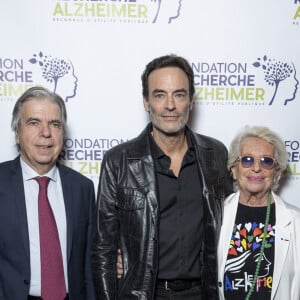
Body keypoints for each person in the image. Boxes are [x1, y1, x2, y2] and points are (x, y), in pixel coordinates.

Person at [91, 54, 233, 299]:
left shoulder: (215, 155)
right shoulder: (119, 161)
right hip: (145, 293)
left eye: (179, 94)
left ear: (191, 102)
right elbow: (103, 249)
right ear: (146, 102)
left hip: (204, 293)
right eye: (159, 95)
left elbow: (232, 221)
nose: (170, 105)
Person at [0, 87, 96, 300]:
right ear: (17, 133)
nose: (46, 133)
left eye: (55, 124)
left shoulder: (83, 188)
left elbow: (89, 266)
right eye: (34, 123)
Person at [217, 126, 300, 299]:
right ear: (233, 169)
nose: (256, 168)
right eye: (247, 160)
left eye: (266, 161)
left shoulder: (295, 221)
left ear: (276, 172)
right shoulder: (216, 214)